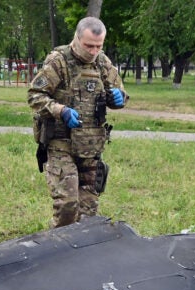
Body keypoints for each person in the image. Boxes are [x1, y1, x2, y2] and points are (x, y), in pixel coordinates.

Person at [28, 17, 128, 228]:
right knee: (67, 205)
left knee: (89, 211)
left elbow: (121, 92)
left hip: (91, 146)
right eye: (89, 46)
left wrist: (119, 97)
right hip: (60, 143)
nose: (93, 51)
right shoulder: (59, 61)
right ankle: (57, 250)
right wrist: (60, 110)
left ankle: (82, 255)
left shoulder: (102, 62)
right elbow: (35, 96)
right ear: (77, 38)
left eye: (98, 46)